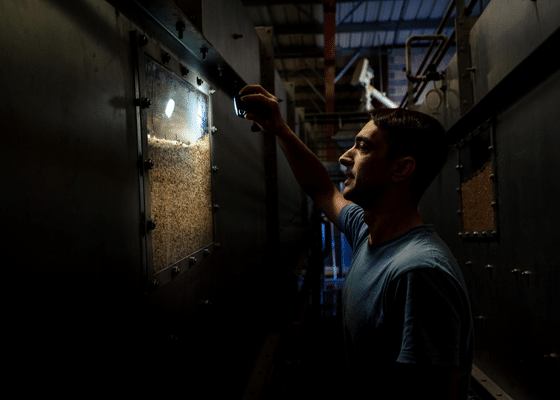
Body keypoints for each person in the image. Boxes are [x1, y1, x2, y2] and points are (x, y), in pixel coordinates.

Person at [239, 85, 473, 400]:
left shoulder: (418, 272)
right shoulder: (366, 232)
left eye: (362, 147)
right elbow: (322, 189)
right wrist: (280, 130)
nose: (345, 157)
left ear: (401, 169)